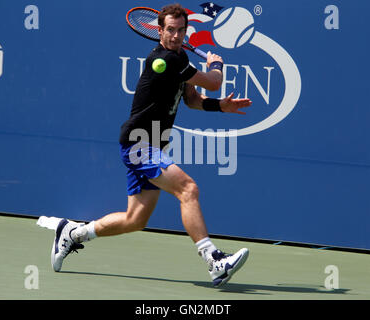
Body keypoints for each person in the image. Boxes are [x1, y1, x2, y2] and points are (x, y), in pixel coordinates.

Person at [51, 3, 252, 287]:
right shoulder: (167, 59)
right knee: (188, 189)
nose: (176, 35)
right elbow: (214, 81)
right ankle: (214, 260)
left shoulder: (179, 57)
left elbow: (193, 100)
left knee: (135, 219)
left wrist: (221, 107)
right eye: (170, 30)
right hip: (139, 143)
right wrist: (216, 66)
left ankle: (72, 234)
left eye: (181, 30)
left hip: (151, 145)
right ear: (159, 30)